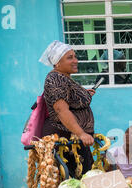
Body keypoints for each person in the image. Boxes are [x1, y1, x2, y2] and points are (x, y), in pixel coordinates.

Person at [39, 40, 97, 177]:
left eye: (75, 56)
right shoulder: (56, 79)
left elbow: (70, 101)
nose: (75, 60)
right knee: (74, 184)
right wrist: (81, 134)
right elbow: (61, 110)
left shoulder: (64, 78)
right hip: (65, 140)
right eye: (70, 57)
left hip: (76, 141)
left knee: (84, 180)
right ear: (57, 62)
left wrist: (84, 95)